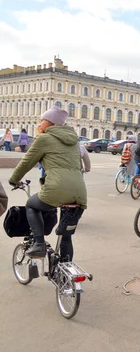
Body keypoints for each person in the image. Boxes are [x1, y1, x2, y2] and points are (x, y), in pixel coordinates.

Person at [9, 106, 87, 259]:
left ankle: (39, 244)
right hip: (79, 192)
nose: (40, 123)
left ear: (51, 123)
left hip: (57, 189)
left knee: (32, 205)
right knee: (66, 235)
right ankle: (67, 270)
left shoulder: (44, 139)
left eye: (43, 120)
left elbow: (26, 162)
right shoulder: (74, 141)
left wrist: (14, 180)